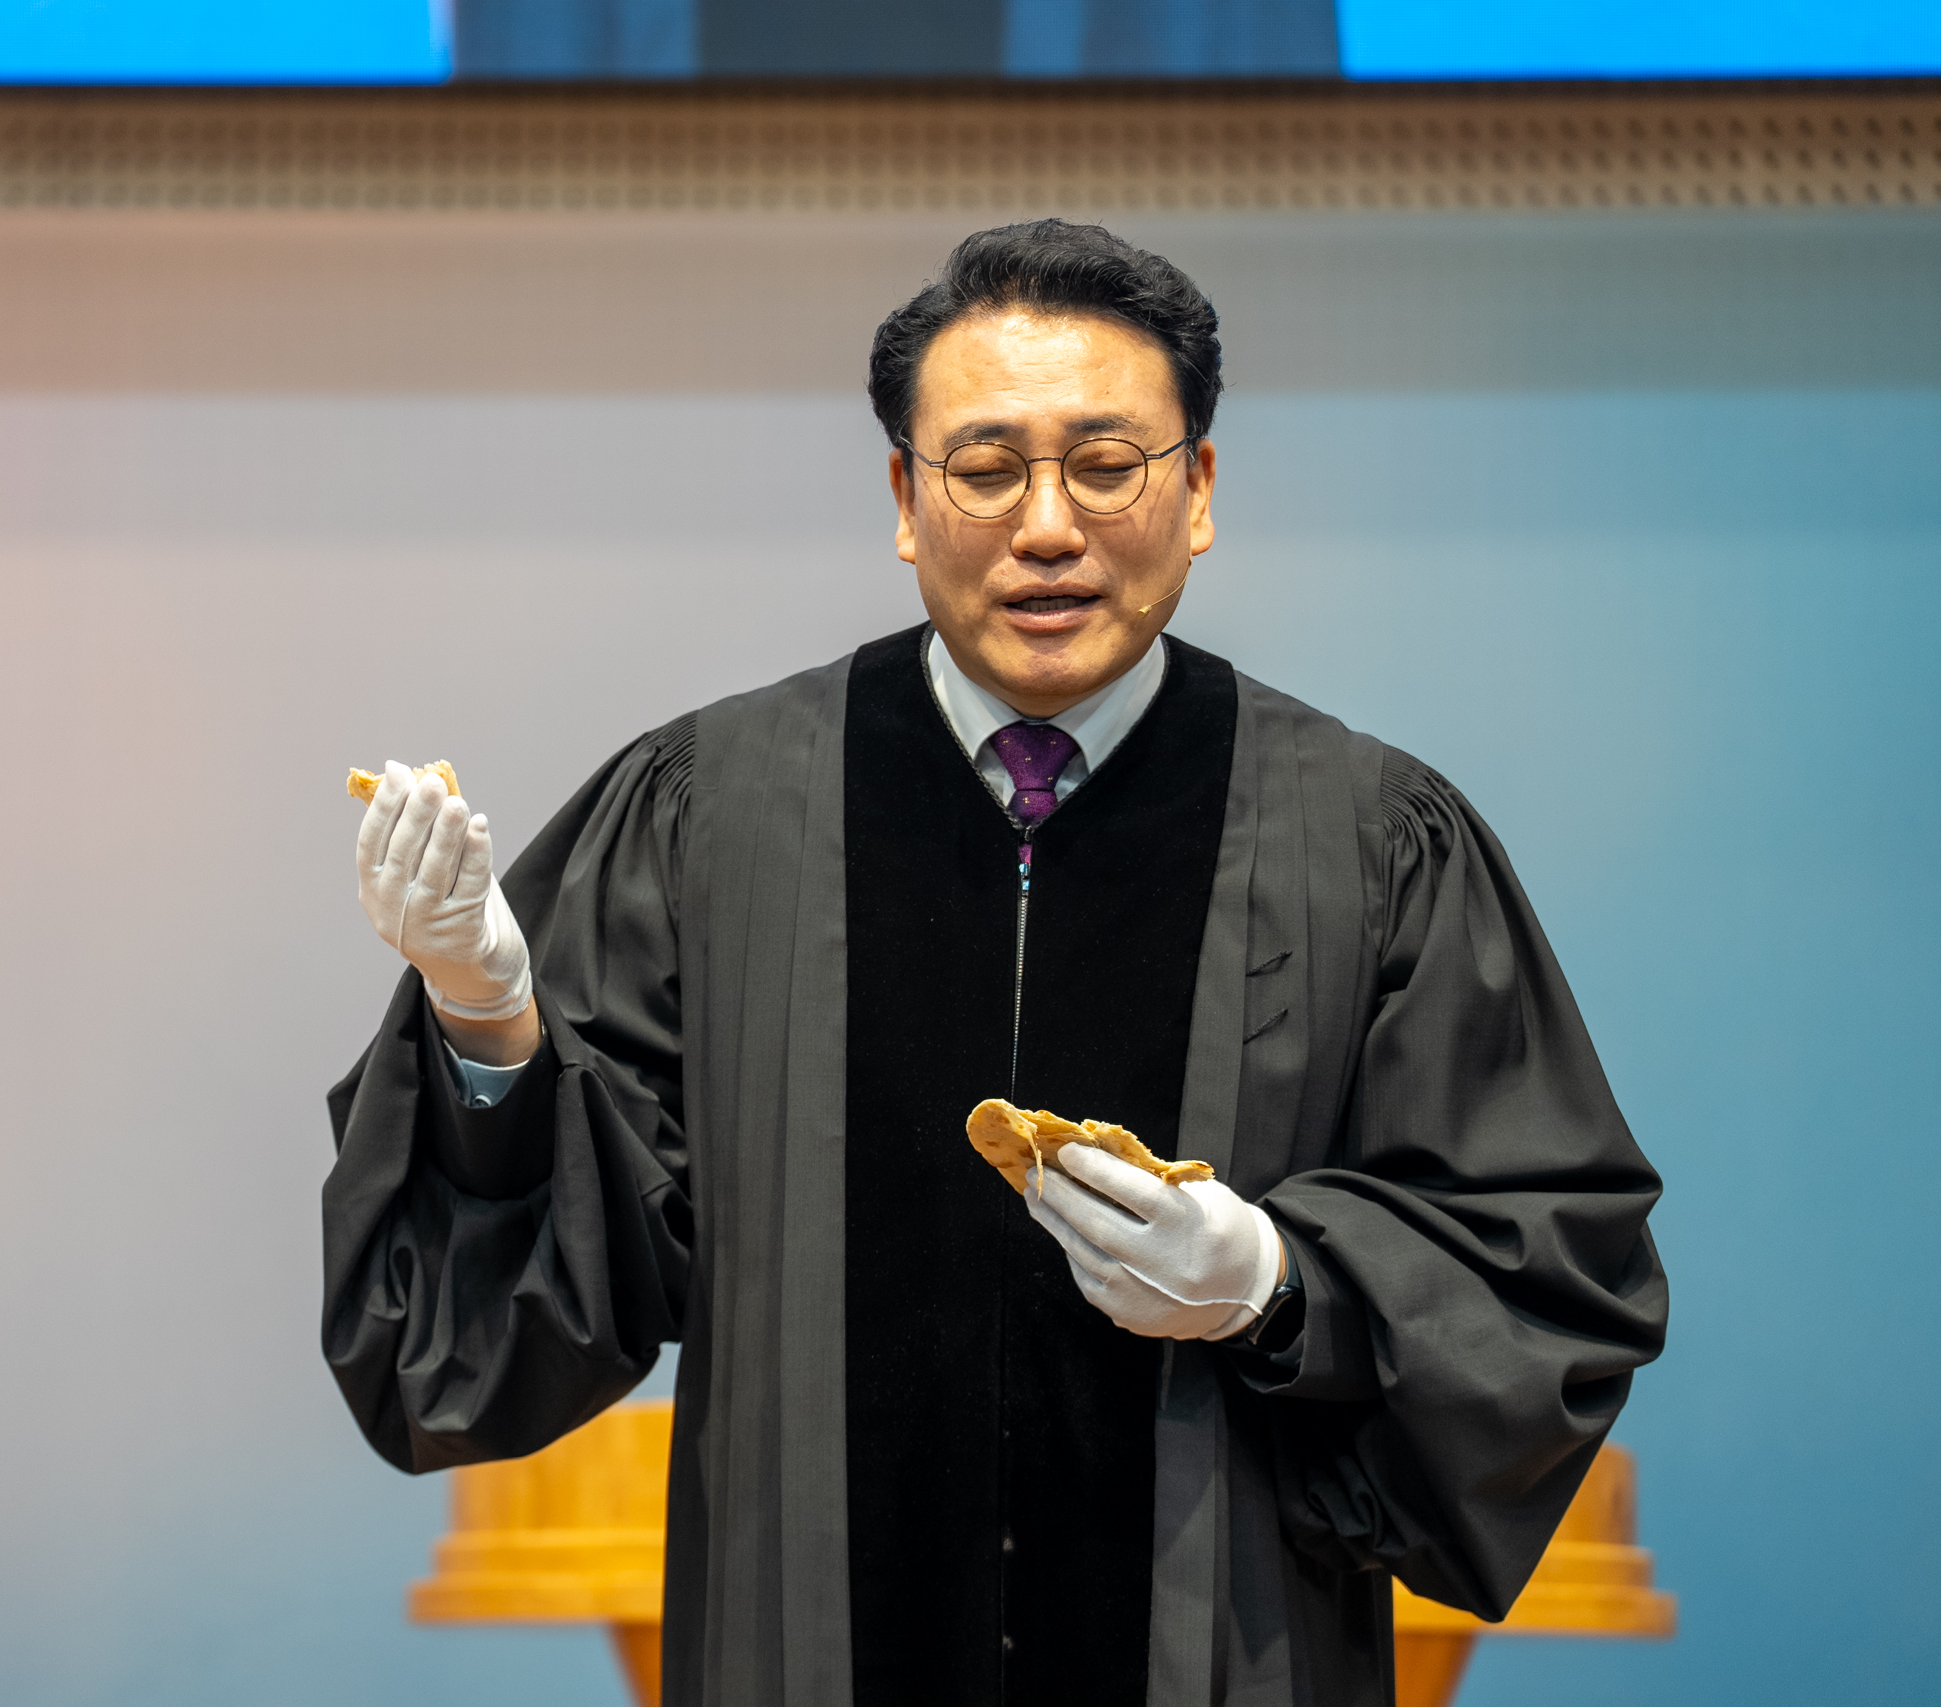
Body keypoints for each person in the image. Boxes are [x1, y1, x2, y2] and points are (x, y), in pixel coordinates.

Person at [322, 220, 1667, 1707]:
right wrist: (491, 1027)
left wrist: (1278, 1285)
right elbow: (522, 1306)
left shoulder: (1368, 841)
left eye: (1107, 465)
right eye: (984, 468)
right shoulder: (714, 818)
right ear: (907, 500)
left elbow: (1539, 1274)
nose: (1047, 527)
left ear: (1200, 492)